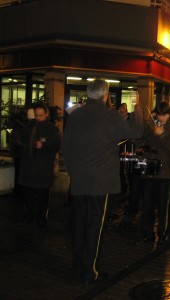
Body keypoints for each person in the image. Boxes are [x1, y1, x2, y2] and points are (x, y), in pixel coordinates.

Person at [62, 80, 143, 284]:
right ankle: (91, 271)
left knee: (79, 223)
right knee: (95, 226)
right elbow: (137, 133)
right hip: (101, 182)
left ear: (88, 94)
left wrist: (73, 172)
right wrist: (138, 108)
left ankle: (78, 264)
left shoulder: (75, 114)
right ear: (105, 95)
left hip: (80, 181)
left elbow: (66, 146)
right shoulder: (110, 115)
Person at [138, 101, 170, 245]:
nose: (161, 118)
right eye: (159, 114)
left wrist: (162, 135)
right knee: (147, 205)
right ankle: (147, 233)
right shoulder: (151, 125)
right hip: (149, 169)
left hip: (165, 171)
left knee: (163, 205)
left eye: (164, 115)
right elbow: (141, 141)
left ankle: (162, 232)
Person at [18, 103, 61, 230]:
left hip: (43, 168)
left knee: (42, 196)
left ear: (46, 114)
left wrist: (44, 145)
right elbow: (20, 142)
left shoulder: (52, 129)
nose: (38, 118)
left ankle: (41, 219)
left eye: (41, 115)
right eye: (36, 115)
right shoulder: (28, 126)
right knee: (28, 196)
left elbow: (56, 145)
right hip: (29, 167)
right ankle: (29, 216)